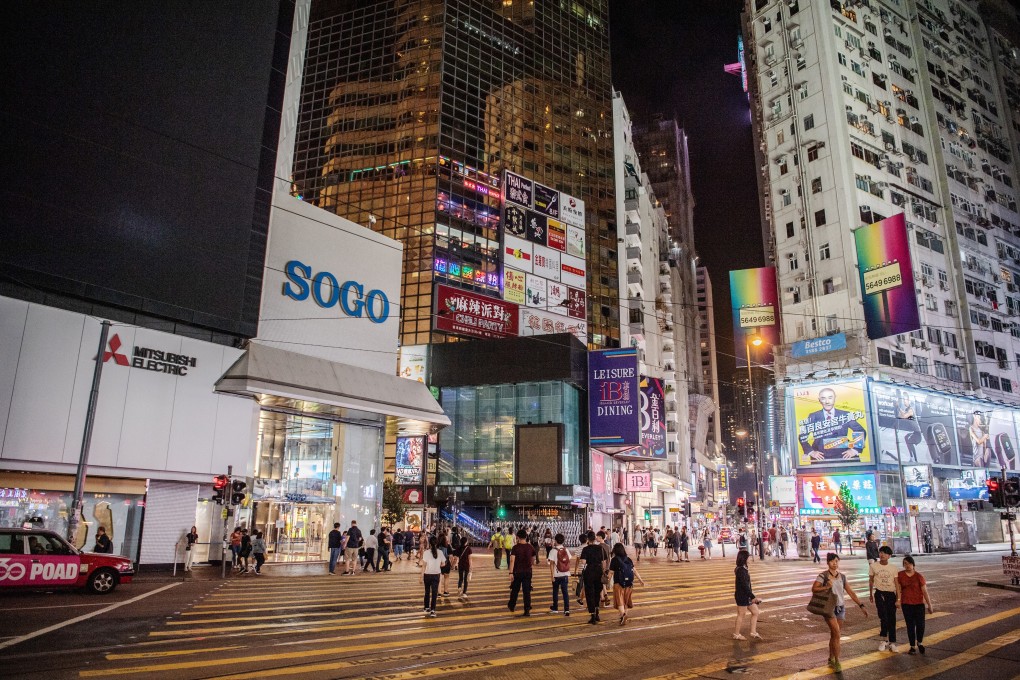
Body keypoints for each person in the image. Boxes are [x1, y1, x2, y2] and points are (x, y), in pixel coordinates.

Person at [812, 553, 868, 673]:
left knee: (834, 634)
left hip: (840, 608)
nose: (835, 563)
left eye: (837, 561)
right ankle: (837, 661)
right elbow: (814, 589)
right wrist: (826, 587)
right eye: (832, 561)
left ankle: (831, 657)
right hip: (829, 608)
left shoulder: (842, 577)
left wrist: (861, 605)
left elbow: (851, 592)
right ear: (828, 563)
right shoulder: (823, 576)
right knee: (837, 634)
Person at [798, 387, 867, 461]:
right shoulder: (813, 416)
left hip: (844, 456)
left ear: (834, 398)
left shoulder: (845, 415)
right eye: (823, 398)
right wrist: (811, 452)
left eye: (830, 398)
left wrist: (855, 450)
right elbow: (802, 436)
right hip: (821, 459)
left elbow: (860, 430)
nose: (827, 401)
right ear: (819, 400)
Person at [896, 555, 934, 654]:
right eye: (905, 564)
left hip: (919, 604)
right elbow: (898, 590)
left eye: (909, 563)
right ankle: (912, 646)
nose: (907, 565)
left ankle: (920, 642)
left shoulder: (919, 576)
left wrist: (929, 605)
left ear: (913, 564)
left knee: (920, 625)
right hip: (906, 604)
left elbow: (925, 592)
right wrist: (898, 600)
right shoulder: (900, 575)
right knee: (910, 626)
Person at [869, 545, 900, 652]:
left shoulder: (893, 568)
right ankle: (884, 640)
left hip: (891, 594)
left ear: (889, 556)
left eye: (885, 553)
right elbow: (871, 580)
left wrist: (898, 599)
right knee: (883, 616)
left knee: (892, 618)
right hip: (879, 593)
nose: (882, 555)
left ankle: (892, 642)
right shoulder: (874, 566)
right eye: (881, 552)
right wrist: (870, 594)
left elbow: (897, 584)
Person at [609, 542, 643, 625]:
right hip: (629, 583)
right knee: (626, 600)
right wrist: (640, 580)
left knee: (619, 600)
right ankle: (624, 616)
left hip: (618, 583)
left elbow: (611, 572)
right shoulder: (628, 559)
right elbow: (634, 570)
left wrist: (607, 581)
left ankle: (623, 615)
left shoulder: (614, 560)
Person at [732, 549, 762, 640]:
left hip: (746, 596)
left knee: (755, 612)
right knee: (741, 614)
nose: (749, 559)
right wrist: (753, 597)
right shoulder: (741, 570)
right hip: (742, 596)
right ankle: (736, 634)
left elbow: (747, 585)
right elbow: (745, 586)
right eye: (748, 557)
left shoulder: (742, 568)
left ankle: (753, 632)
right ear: (744, 558)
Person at [578, 531, 607, 624]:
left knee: (590, 593)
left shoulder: (586, 549)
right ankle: (597, 612)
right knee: (597, 592)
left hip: (589, 572)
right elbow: (604, 562)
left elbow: (583, 562)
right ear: (595, 538)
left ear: (587, 540)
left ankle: (593, 615)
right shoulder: (600, 548)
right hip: (598, 571)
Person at [507, 529, 536, 616]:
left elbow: (512, 561)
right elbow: (533, 558)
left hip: (517, 572)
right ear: (526, 536)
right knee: (526, 591)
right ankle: (527, 609)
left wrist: (511, 573)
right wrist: (530, 565)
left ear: (518, 537)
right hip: (527, 572)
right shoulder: (530, 547)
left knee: (515, 590)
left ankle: (512, 605)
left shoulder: (515, 548)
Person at [421, 536, 446, 617]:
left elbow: (424, 566)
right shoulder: (440, 552)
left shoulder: (426, 552)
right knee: (434, 593)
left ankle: (426, 607)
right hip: (436, 575)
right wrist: (438, 565)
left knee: (427, 591)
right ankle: (432, 610)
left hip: (427, 575)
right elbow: (443, 564)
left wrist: (421, 576)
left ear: (430, 543)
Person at [547, 533, 571, 616]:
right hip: (565, 574)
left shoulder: (553, 551)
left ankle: (555, 608)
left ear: (555, 540)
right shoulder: (566, 550)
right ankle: (567, 610)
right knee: (565, 592)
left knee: (555, 591)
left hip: (556, 575)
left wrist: (551, 575)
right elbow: (568, 560)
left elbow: (551, 564)